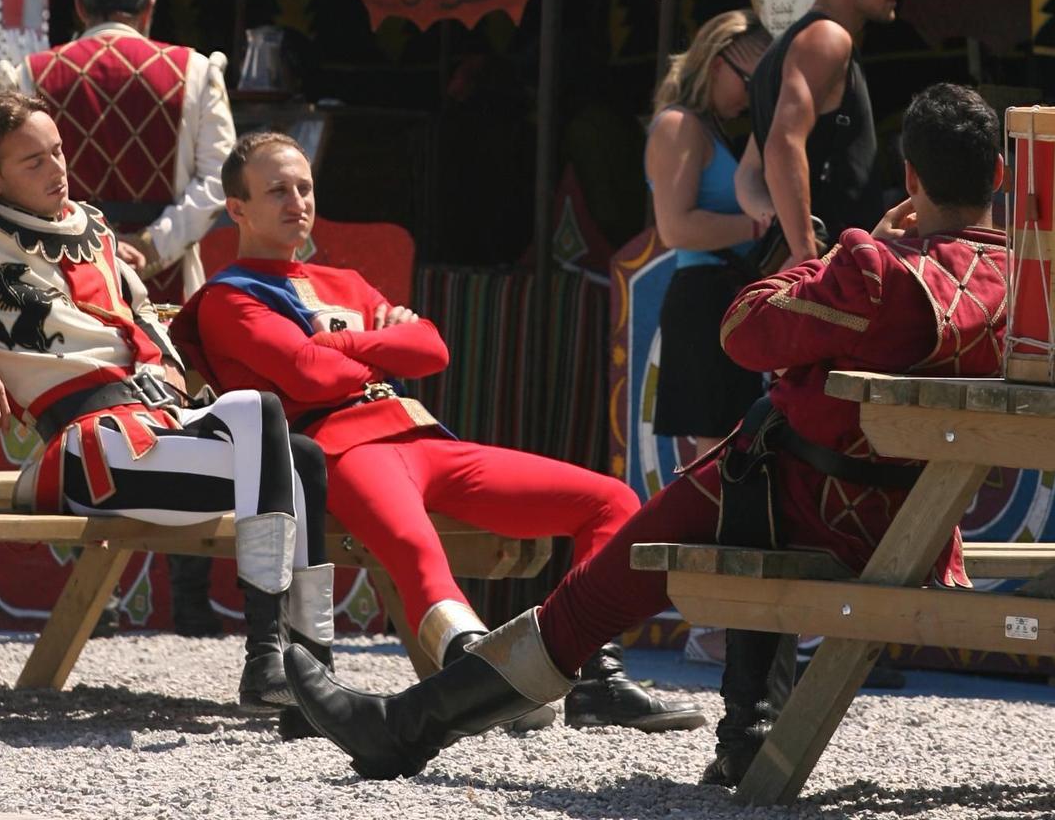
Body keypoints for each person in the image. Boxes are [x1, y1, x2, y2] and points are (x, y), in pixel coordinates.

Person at [282, 83, 1008, 788]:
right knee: (750, 495)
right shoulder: (1024, 281)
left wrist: (848, 251)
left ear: (907, 177)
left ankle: (402, 728)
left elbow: (744, 330)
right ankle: (747, 736)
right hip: (914, 524)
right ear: (998, 177)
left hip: (809, 502)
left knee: (595, 599)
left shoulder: (874, 272)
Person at [0, 89, 334, 722]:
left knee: (300, 455)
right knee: (267, 426)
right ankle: (267, 661)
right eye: (32, 161)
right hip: (91, 451)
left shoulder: (92, 228)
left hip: (160, 425)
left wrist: (168, 372)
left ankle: (312, 671)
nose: (57, 169)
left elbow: (141, 315)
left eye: (59, 151)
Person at [177, 130, 705, 734]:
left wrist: (339, 341)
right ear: (238, 208)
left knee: (611, 500)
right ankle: (487, 683)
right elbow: (309, 373)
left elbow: (430, 349)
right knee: (417, 553)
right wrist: (380, 346)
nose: (298, 201)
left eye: (305, 187)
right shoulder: (226, 298)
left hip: (422, 438)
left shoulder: (345, 281)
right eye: (277, 191)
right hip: (339, 450)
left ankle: (597, 679)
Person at [15, 0, 235, 635]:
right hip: (163, 275)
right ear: (148, 10)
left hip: (59, 276)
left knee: (78, 418)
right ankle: (189, 592)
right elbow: (217, 183)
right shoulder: (195, 71)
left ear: (77, 7)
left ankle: (94, 593)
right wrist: (153, 246)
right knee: (183, 414)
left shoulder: (32, 72)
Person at [737, 0, 909, 265]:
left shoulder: (787, 49)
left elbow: (749, 175)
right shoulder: (827, 41)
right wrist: (805, 254)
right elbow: (782, 146)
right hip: (826, 282)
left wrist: (783, 221)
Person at [646, 11, 773, 464]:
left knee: (734, 447)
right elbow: (675, 227)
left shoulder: (711, 128)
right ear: (718, 63)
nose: (754, 95)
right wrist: (763, 225)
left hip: (727, 296)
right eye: (750, 80)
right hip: (704, 300)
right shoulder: (679, 126)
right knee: (716, 457)